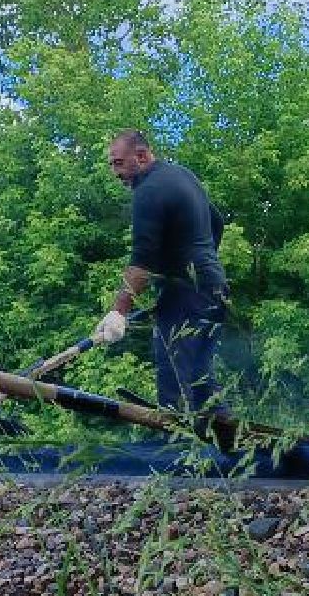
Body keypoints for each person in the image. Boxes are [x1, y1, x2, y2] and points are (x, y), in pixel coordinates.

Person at [93, 130, 230, 415]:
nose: (115, 172)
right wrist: (201, 266)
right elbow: (216, 222)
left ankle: (180, 446)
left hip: (187, 295)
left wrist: (119, 312)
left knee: (179, 380)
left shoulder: (149, 190)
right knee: (196, 375)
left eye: (118, 163)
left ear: (141, 156)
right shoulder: (182, 175)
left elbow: (141, 262)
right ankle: (215, 442)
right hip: (213, 289)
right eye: (111, 164)